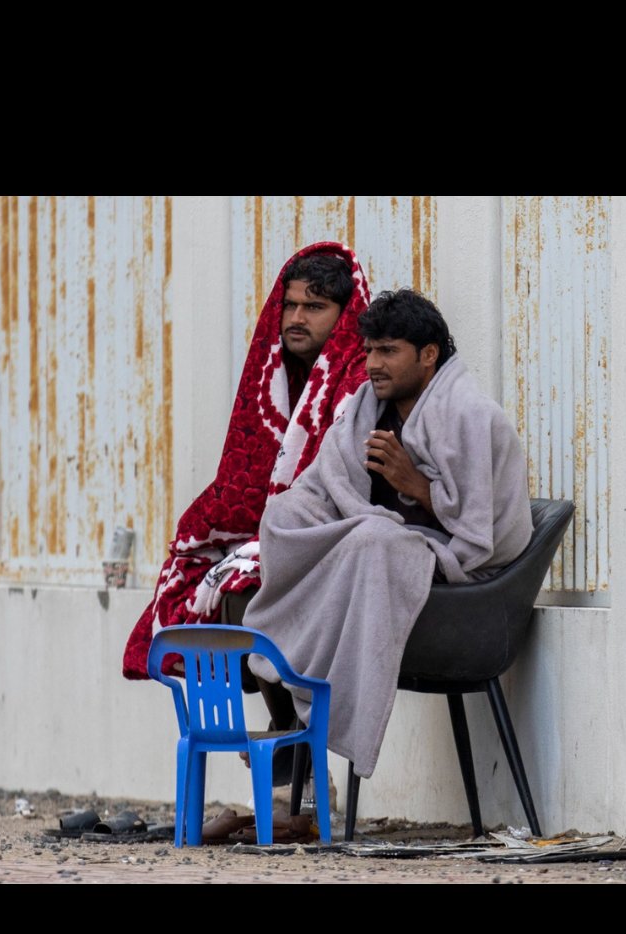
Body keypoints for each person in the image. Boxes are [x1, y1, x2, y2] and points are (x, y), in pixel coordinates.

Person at [242, 289, 534, 778]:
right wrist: (314, 515)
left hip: (458, 583)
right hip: (376, 553)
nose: (373, 364)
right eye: (370, 351)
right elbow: (324, 484)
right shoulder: (365, 408)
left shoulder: (471, 416)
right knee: (282, 515)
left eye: (388, 351)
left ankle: (312, 717)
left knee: (371, 540)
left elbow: (479, 533)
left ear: (428, 354)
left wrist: (414, 484)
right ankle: (292, 687)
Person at [123, 241, 372, 745]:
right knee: (208, 572)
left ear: (344, 315)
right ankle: (265, 747)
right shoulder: (280, 375)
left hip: (345, 540)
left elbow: (344, 487)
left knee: (246, 589)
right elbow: (248, 474)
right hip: (288, 531)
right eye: (290, 305)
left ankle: (290, 748)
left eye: (314, 307)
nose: (296, 318)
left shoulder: (359, 382)